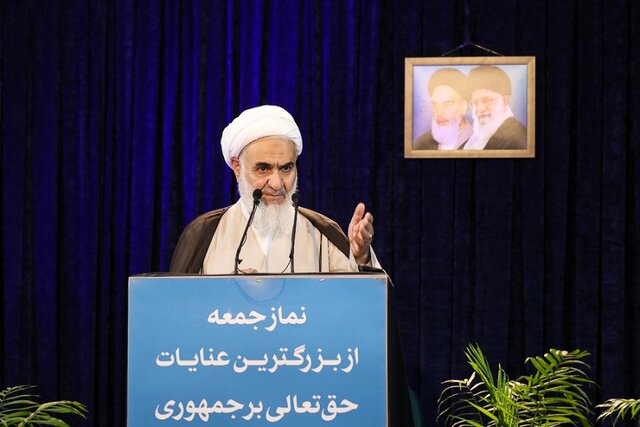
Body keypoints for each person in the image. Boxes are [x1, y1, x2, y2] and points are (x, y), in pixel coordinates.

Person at [169, 105, 379, 274]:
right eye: (263, 168)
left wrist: (360, 257)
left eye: (286, 168)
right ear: (237, 168)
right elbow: (180, 308)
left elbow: (358, 304)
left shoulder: (324, 234)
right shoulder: (204, 235)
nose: (277, 184)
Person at [463, 65, 527, 150]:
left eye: (487, 100)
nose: (480, 109)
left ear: (505, 100)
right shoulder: (475, 138)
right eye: (475, 102)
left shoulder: (518, 138)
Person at [414, 67, 472, 150]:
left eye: (448, 104)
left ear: (464, 106)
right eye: (435, 104)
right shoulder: (422, 144)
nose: (439, 113)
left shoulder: (481, 142)